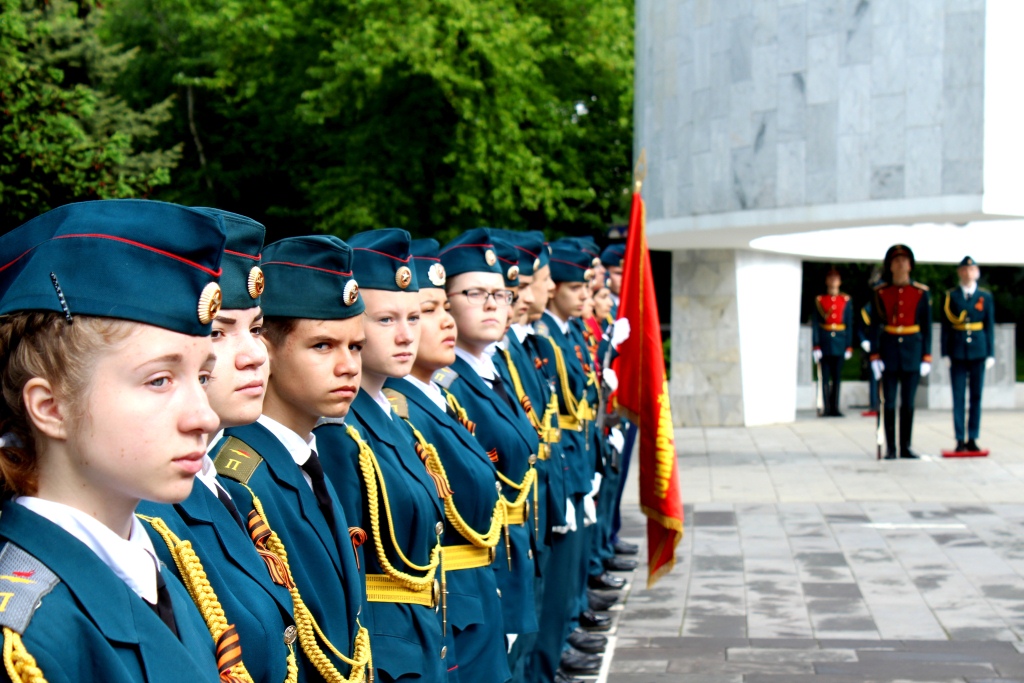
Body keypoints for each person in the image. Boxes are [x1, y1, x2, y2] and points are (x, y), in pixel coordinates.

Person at [0, 199, 228, 683]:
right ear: (50, 407)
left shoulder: (161, 565)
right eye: (159, 380)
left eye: (203, 377)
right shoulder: (25, 636)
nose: (204, 418)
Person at [136, 208, 301, 683]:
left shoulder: (229, 492)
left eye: (255, 329)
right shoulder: (147, 512)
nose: (253, 356)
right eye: (216, 332)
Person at [215, 235, 373, 682]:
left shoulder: (307, 457)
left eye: (355, 346)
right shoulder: (241, 477)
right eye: (322, 346)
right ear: (268, 350)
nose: (348, 366)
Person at [314, 229, 448, 683]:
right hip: (387, 653)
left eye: (414, 317)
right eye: (386, 320)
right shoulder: (337, 433)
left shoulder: (394, 417)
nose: (407, 334)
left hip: (422, 634)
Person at [381, 238, 511, 683]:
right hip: (444, 615)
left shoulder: (437, 400)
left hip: (470, 601)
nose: (446, 321)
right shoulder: (402, 409)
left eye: (439, 309)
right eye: (426, 311)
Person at [436, 229, 540, 676]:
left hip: (512, 552)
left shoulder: (489, 372)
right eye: (475, 293)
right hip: (483, 569)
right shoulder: (449, 383)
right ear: (447, 302)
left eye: (500, 293)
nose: (493, 303)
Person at [870, 244, 932, 460]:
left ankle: (905, 446)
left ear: (910, 265)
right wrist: (874, 355)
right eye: (896, 261)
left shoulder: (921, 293)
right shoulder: (880, 292)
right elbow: (875, 325)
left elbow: (927, 327)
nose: (901, 264)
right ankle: (891, 448)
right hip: (888, 351)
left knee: (908, 402)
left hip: (912, 350)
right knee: (888, 401)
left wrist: (926, 356)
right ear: (890, 266)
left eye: (905, 260)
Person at [941, 256, 996, 453]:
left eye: (971, 270)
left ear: (977, 272)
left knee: (976, 396)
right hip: (957, 350)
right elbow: (946, 327)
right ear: (959, 273)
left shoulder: (985, 296)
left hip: (978, 350)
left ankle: (972, 436)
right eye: (964, 270)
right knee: (958, 397)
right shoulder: (951, 296)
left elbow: (989, 325)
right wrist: (945, 352)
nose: (967, 273)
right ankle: (959, 438)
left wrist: (991, 353)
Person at [812, 268, 853, 417]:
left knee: (837, 377)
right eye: (831, 277)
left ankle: (835, 407)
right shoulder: (820, 300)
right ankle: (826, 407)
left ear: (840, 281)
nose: (833, 280)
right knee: (825, 376)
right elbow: (816, 324)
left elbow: (849, 323)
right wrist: (816, 344)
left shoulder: (845, 300)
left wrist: (849, 345)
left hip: (840, 341)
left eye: (836, 278)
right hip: (825, 340)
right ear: (826, 281)